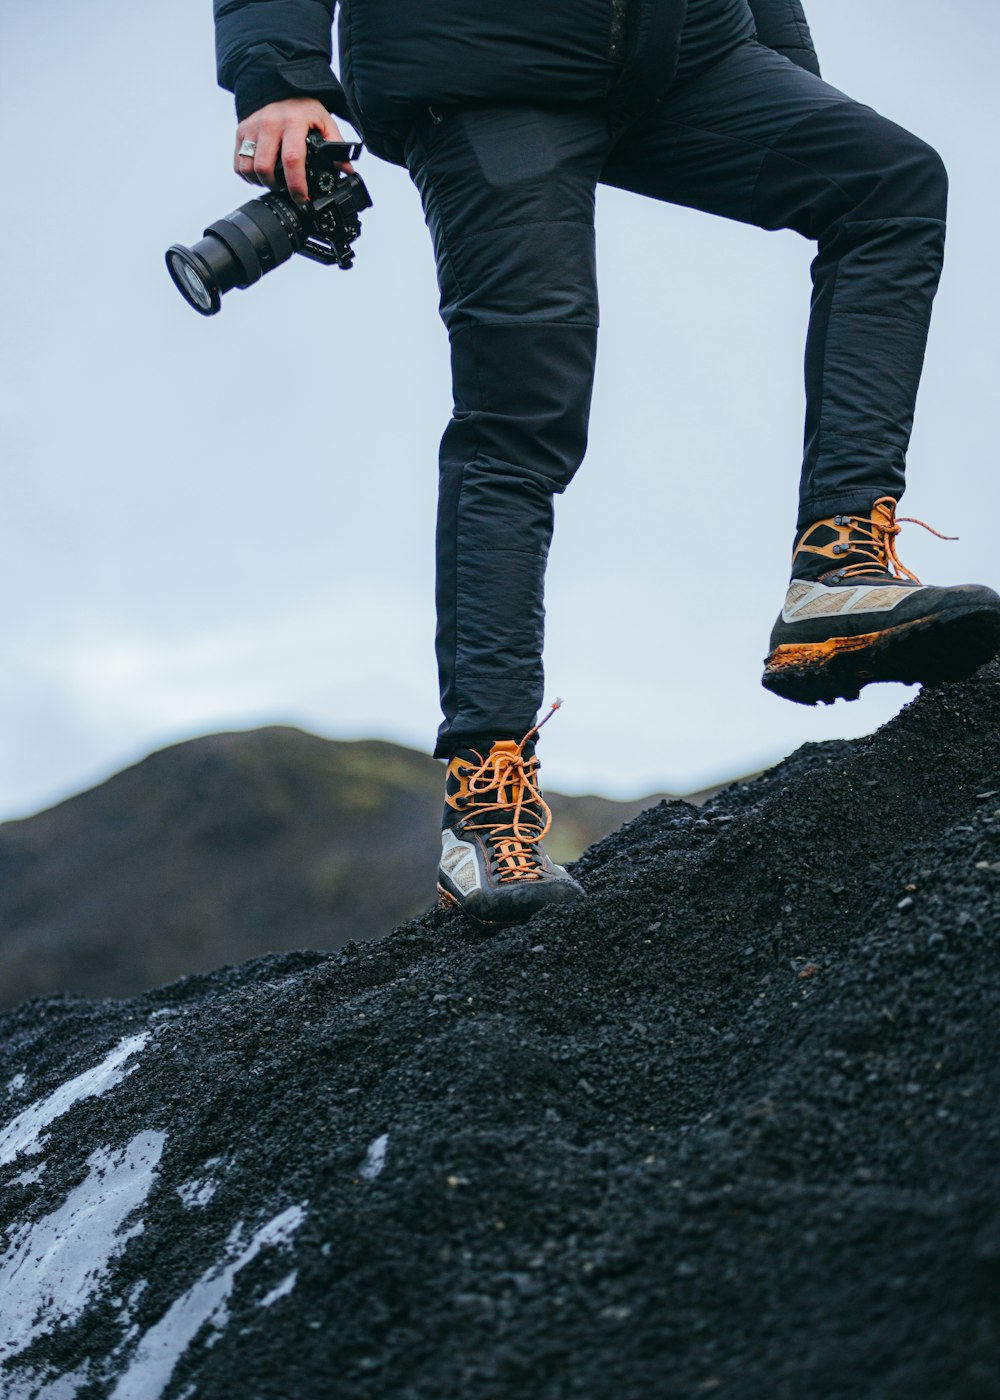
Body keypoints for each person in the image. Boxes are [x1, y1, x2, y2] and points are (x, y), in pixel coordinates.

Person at [213, 0, 1000, 925]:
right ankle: (483, 803)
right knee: (522, 419)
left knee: (887, 181)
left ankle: (836, 572)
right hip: (480, 60)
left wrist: (788, 69)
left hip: (687, 50)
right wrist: (279, 77)